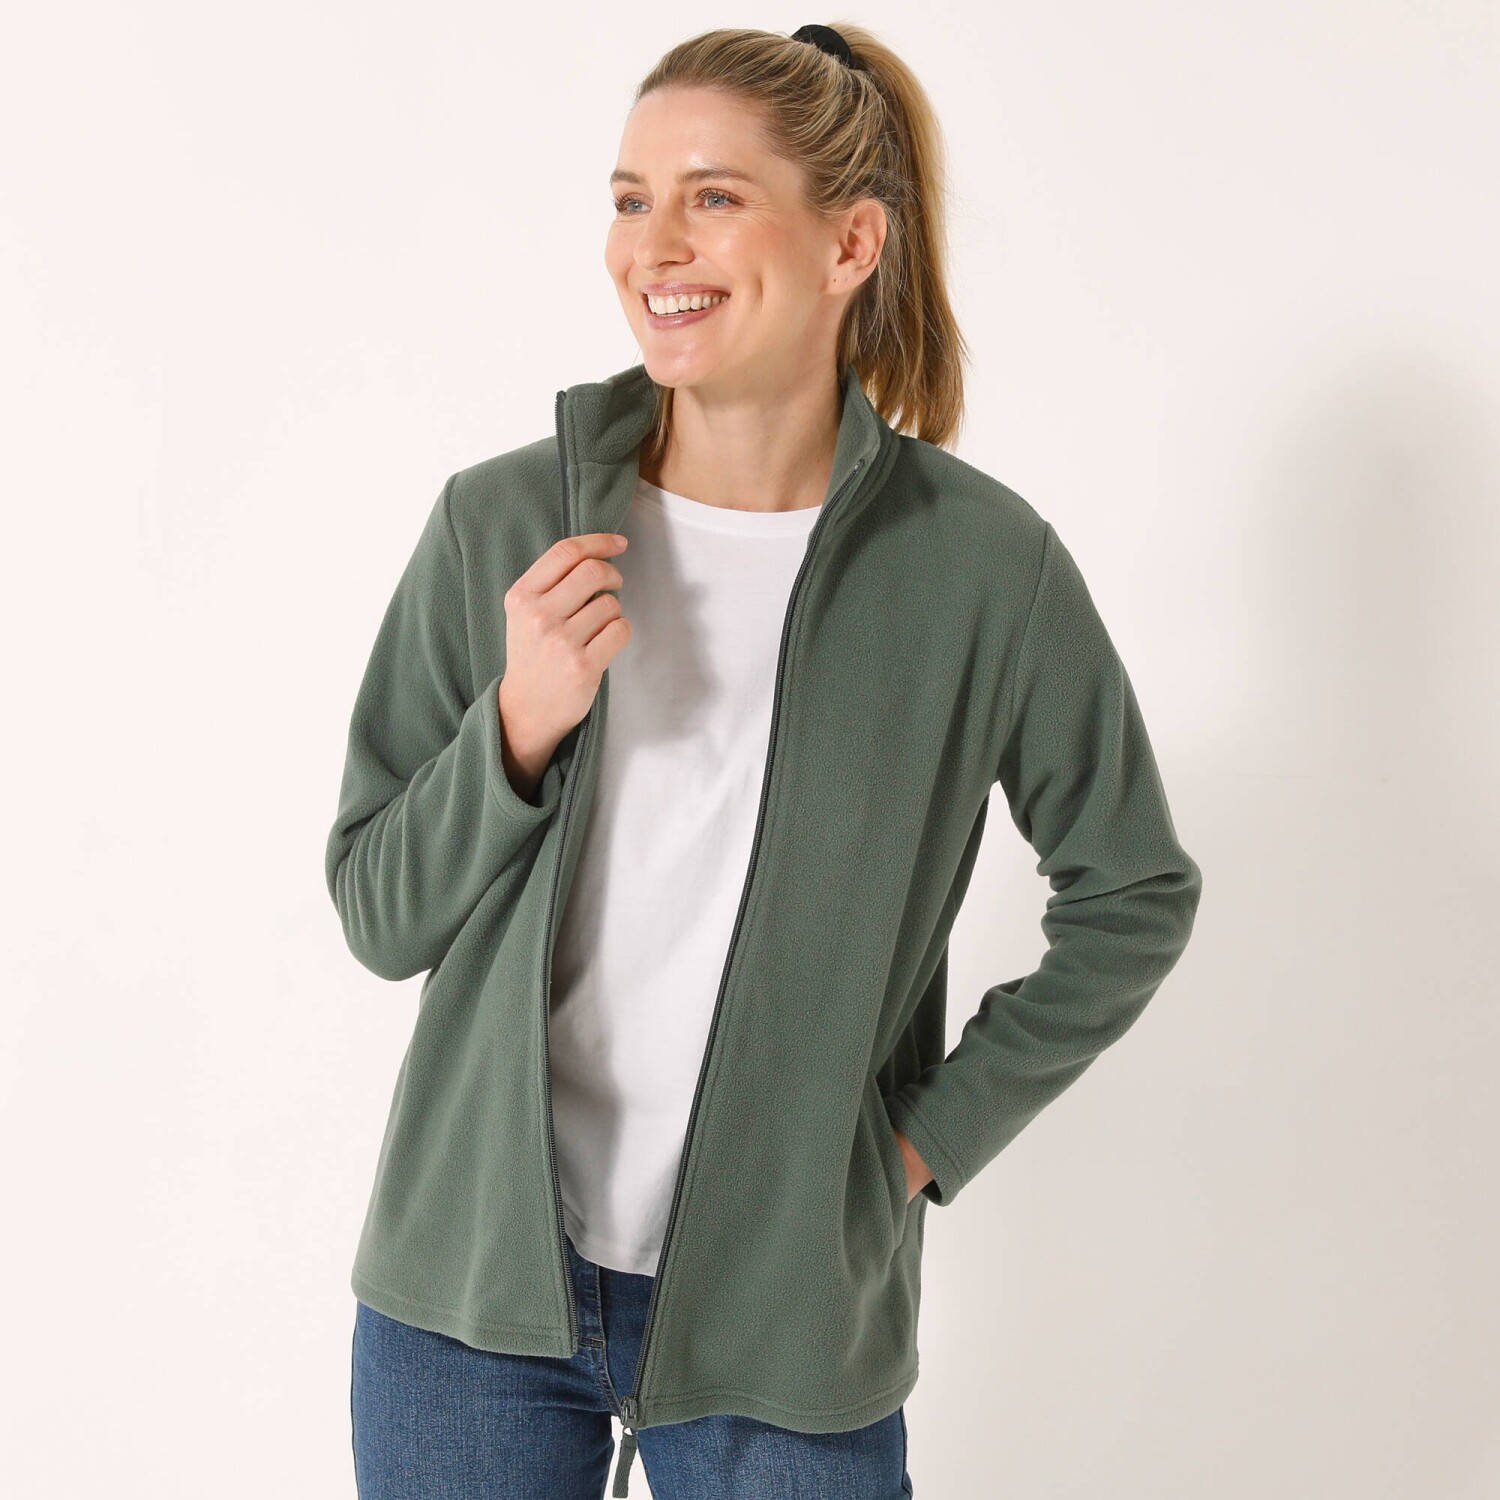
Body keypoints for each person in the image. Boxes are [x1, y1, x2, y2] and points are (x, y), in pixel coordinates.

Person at [326, 21, 1203, 1500]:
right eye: (630, 198)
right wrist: (519, 726)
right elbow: (376, 912)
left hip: (789, 1316)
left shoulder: (981, 571)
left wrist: (915, 1149)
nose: (653, 246)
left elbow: (1134, 890)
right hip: (470, 1308)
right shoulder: (503, 524)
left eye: (714, 197)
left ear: (851, 242)